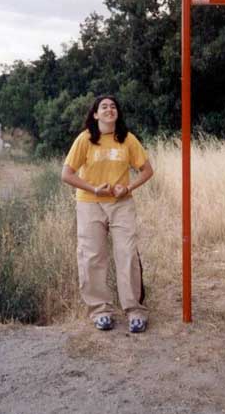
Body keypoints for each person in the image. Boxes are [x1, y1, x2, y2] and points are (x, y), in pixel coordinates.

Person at [61, 94, 154, 333]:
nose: (109, 109)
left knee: (127, 253)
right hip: (90, 203)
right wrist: (93, 188)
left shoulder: (128, 139)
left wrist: (129, 187)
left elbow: (146, 170)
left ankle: (134, 311)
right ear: (95, 114)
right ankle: (100, 311)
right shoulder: (85, 140)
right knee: (92, 256)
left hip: (121, 204)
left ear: (117, 113)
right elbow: (67, 174)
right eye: (104, 107)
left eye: (113, 106)